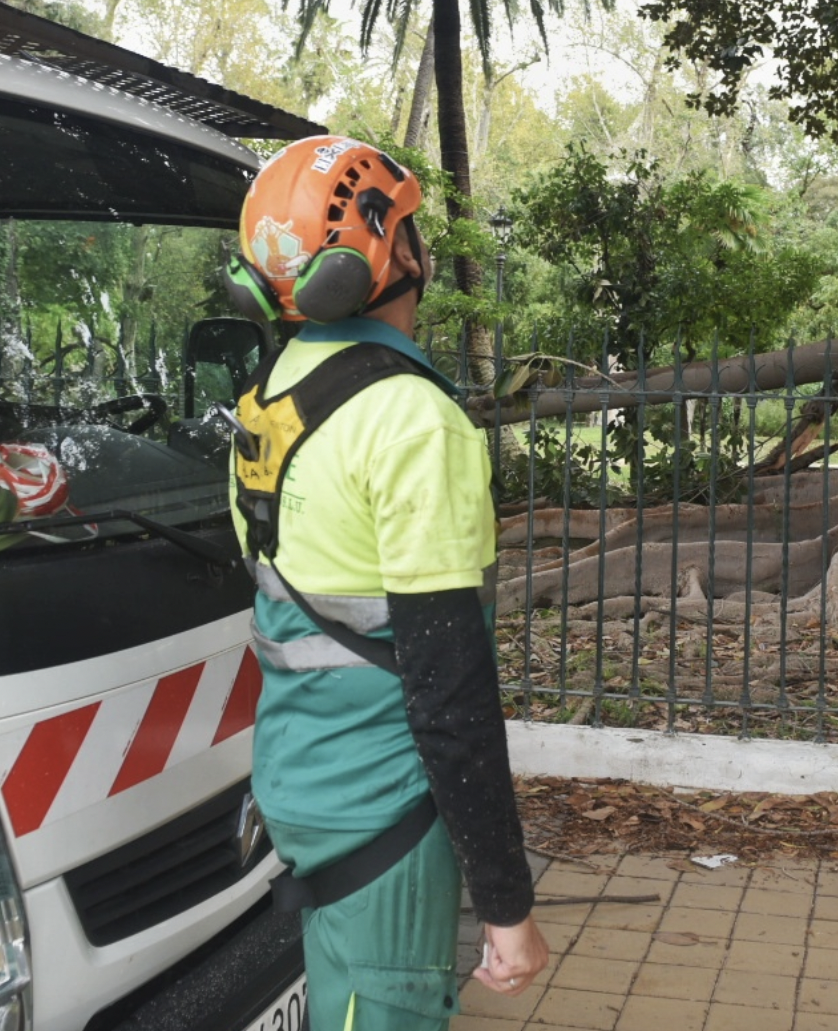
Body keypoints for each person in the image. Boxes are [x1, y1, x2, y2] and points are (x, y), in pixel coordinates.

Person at [224, 135, 546, 1030]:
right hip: (384, 805)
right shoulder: (408, 418)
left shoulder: (271, 396)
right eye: (407, 222)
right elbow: (449, 689)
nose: (421, 241)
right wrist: (507, 905)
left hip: (301, 778)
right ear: (386, 251)